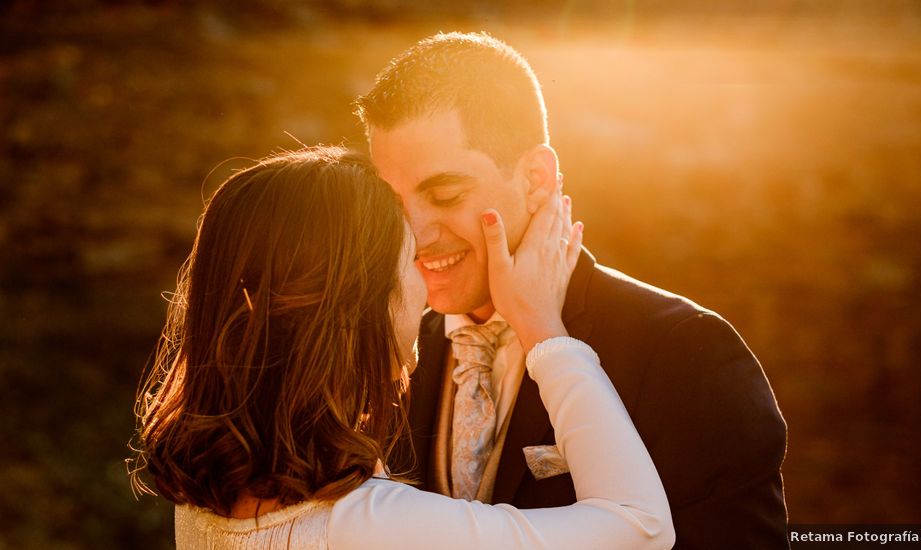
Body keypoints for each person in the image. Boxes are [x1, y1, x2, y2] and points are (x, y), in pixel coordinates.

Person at [356, 32, 789, 548]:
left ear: (537, 178)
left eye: (446, 194)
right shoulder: (384, 351)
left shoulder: (685, 353)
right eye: (393, 202)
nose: (416, 234)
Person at [131, 146, 674, 549]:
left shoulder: (205, 492)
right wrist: (545, 331)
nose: (426, 295)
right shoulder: (369, 527)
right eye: (408, 260)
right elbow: (640, 524)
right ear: (360, 305)